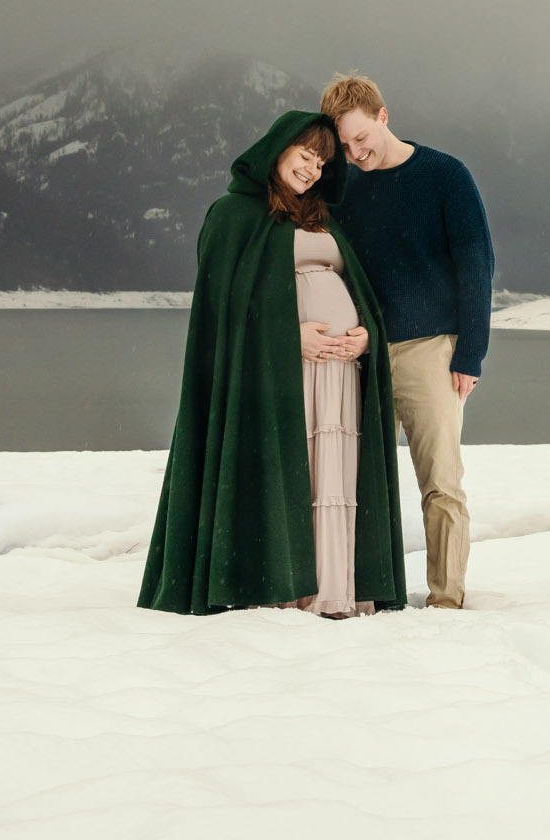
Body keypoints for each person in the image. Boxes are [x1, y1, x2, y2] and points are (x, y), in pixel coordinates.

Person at [137, 111, 408, 617]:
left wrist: (367, 335)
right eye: (306, 155)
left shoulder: (323, 219)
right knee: (292, 475)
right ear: (278, 149)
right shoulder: (234, 215)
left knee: (334, 478)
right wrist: (286, 337)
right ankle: (283, 589)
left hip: (340, 374)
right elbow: (224, 310)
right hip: (276, 376)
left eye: (323, 162)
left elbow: (359, 290)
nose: (313, 169)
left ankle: (333, 593)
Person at [321, 74, 493, 610]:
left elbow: (477, 265)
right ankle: (367, 593)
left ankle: (446, 600)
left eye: (359, 139)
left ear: (383, 116)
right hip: (363, 355)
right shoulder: (344, 189)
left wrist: (471, 354)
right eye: (344, 146)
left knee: (441, 482)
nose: (353, 154)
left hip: (431, 352)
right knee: (359, 485)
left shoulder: (444, 175)